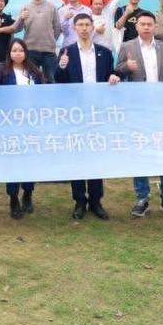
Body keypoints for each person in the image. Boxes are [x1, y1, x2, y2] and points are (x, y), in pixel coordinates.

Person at [113, 10, 163, 219]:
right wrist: (126, 67)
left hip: (162, 108)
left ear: (154, 26)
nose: (146, 27)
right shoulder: (127, 47)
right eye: (142, 24)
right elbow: (117, 71)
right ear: (136, 26)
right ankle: (142, 197)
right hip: (138, 109)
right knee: (140, 150)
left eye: (149, 24)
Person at [55, 13, 120, 220]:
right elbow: (59, 80)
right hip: (76, 112)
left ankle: (96, 200)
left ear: (92, 27)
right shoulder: (67, 52)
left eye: (87, 24)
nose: (84, 28)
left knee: (95, 155)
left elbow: (110, 74)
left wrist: (113, 76)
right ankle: (79, 201)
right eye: (80, 25)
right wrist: (62, 65)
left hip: (98, 111)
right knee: (77, 156)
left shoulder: (104, 52)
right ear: (74, 28)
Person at [0, 39, 42, 219]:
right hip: (10, 124)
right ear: (9, 53)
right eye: (14, 50)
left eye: (21, 50)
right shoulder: (3, 69)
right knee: (12, 162)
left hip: (30, 124)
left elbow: (42, 95)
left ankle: (28, 193)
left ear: (26, 52)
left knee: (29, 161)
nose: (17, 54)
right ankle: (13, 198)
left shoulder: (34, 72)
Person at [18, 0, 62, 82]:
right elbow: (18, 28)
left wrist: (51, 40)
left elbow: (57, 28)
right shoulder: (25, 7)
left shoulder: (52, 7)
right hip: (30, 51)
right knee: (31, 80)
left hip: (49, 51)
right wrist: (21, 18)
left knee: (51, 80)